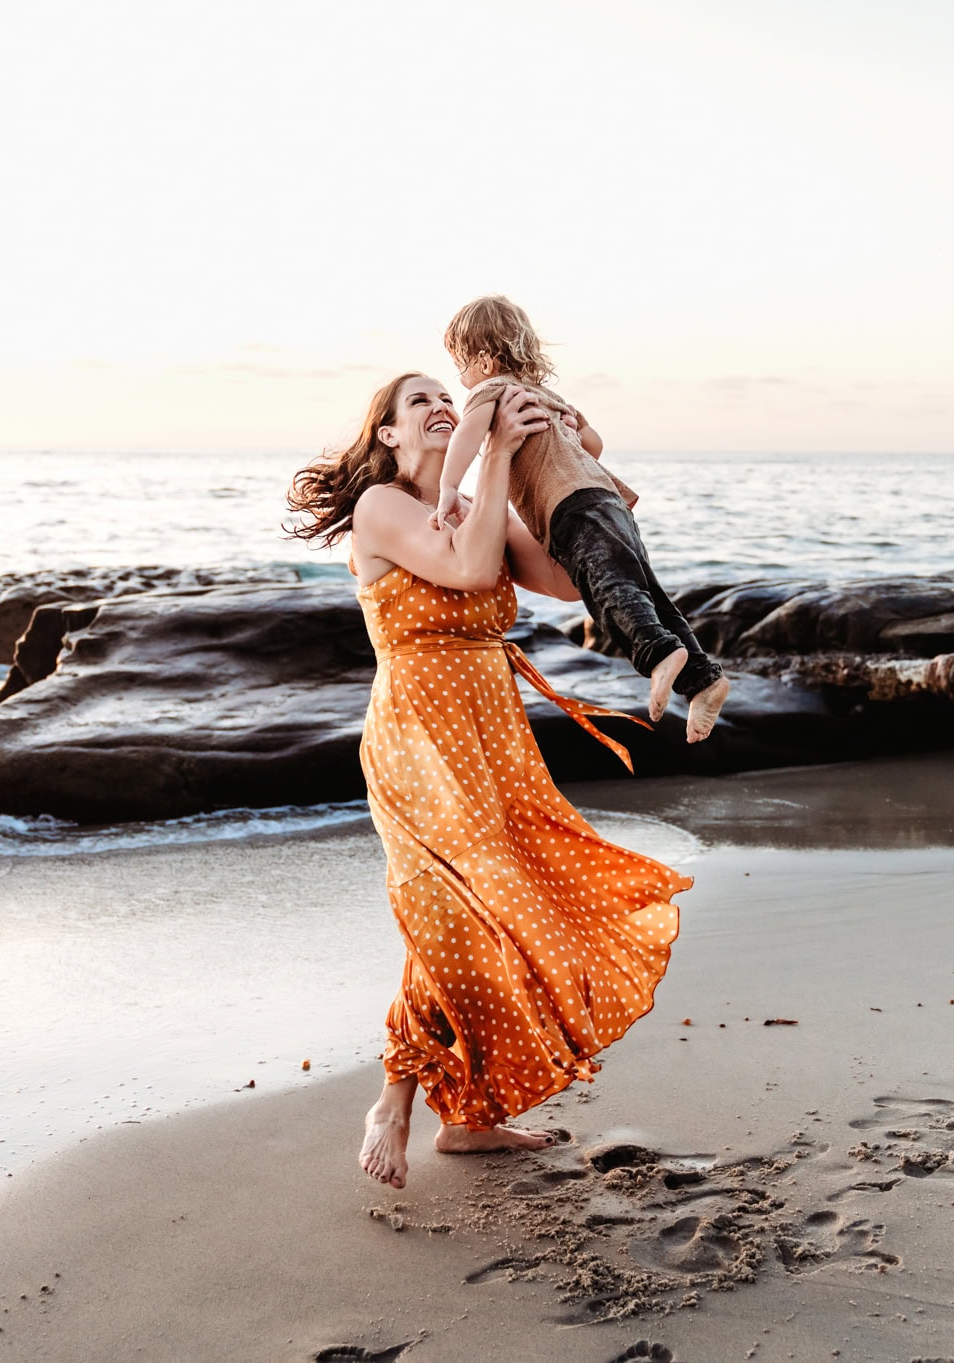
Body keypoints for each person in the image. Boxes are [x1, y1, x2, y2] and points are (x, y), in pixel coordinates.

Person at [286, 372, 693, 1190]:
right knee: (457, 905)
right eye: (418, 402)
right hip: (419, 737)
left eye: (447, 394)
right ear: (389, 438)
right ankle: (396, 1101)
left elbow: (571, 578)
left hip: (492, 737)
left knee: (492, 910)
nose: (442, 405)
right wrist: (497, 451)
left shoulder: (483, 507)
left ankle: (467, 1117)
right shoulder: (382, 508)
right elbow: (470, 574)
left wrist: (577, 455)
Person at [430, 295, 731, 742]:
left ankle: (657, 653)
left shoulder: (490, 392)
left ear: (484, 359)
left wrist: (448, 488)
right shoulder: (548, 396)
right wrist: (570, 429)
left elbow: (467, 438)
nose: (463, 381)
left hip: (572, 507)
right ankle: (704, 680)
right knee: (647, 593)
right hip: (609, 501)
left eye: (461, 368)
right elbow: (594, 444)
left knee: (608, 594)